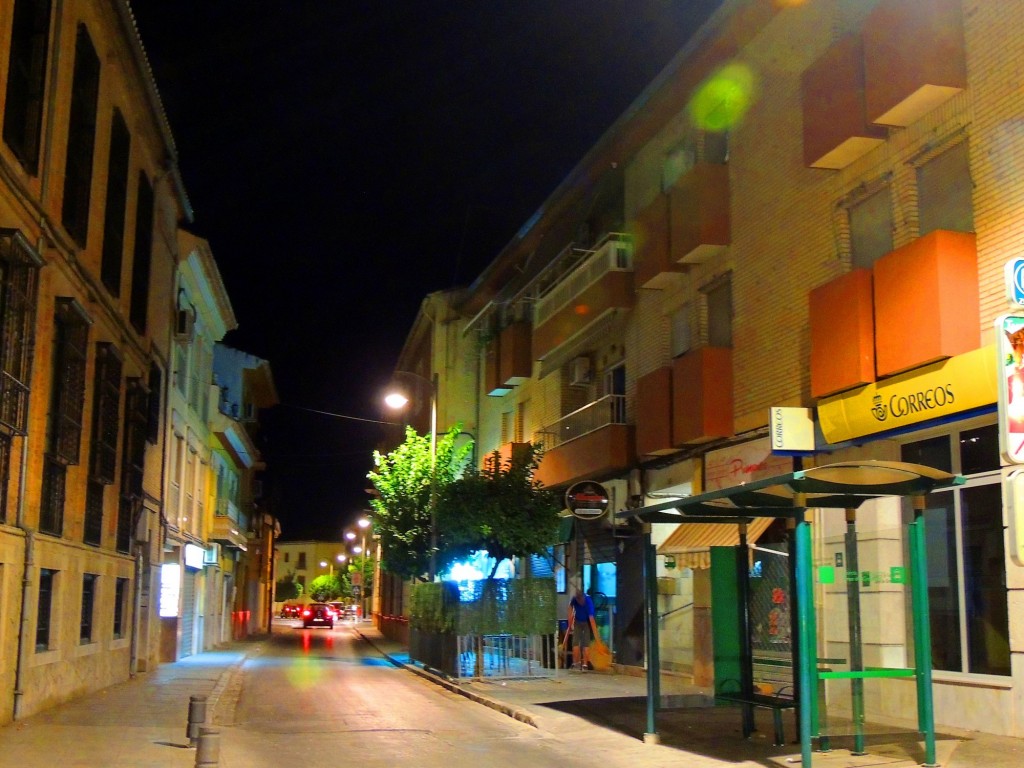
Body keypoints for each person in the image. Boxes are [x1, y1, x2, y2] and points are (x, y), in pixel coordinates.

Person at [568, 588, 597, 671]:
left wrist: (596, 636)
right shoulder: (574, 600)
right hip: (577, 621)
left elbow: (591, 620)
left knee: (585, 644)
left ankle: (585, 664)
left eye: (581, 601)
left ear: (583, 598)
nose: (580, 602)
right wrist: (570, 622)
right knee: (575, 642)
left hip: (587, 623)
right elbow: (570, 607)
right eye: (578, 600)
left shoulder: (588, 602)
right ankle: (575, 663)